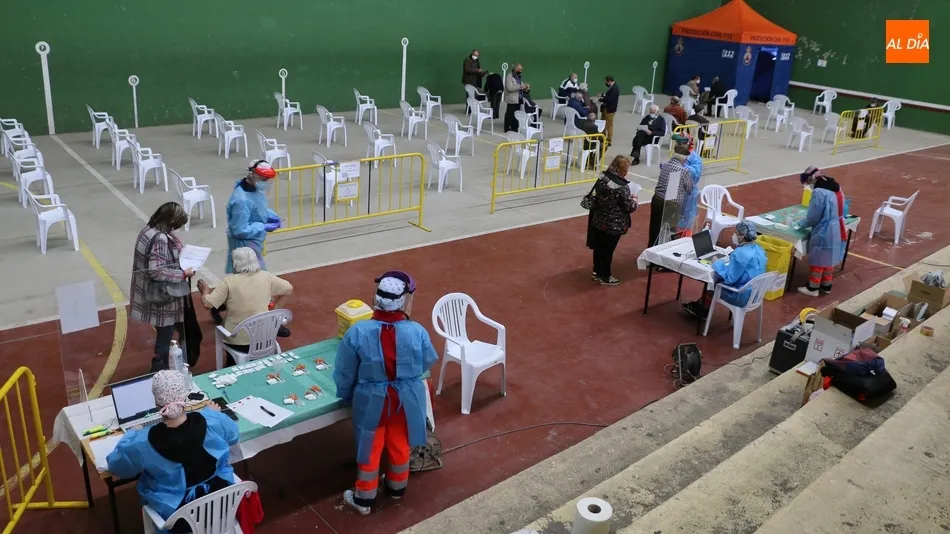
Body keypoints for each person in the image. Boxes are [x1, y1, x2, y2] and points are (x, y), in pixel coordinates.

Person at [335, 271, 438, 515]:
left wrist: (347, 394)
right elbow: (427, 361)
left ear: (376, 298)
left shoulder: (358, 332)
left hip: (371, 399)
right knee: (400, 442)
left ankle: (364, 498)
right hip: (407, 398)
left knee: (370, 445)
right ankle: (396, 487)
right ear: (403, 301)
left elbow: (345, 372)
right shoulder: (417, 331)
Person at [106, 371, 240, 533]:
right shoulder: (211, 421)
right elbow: (233, 435)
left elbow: (117, 466)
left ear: (157, 404)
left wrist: (132, 434)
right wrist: (212, 414)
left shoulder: (141, 442)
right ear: (184, 399)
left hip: (179, 517)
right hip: (222, 504)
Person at [197, 247, 293, 365]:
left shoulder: (229, 282)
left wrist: (205, 292)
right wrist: (272, 313)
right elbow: (289, 289)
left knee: (225, 331)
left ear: (236, 263)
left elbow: (208, 304)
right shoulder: (266, 276)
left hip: (238, 342)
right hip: (265, 339)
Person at [131, 202, 194, 372]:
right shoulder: (160, 238)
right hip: (163, 298)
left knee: (165, 334)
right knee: (165, 338)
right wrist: (183, 274)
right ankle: (160, 371)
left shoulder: (147, 230)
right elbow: (156, 271)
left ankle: (164, 368)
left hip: (150, 293)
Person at [682, 220, 767, 319]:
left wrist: (717, 263)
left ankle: (701, 310)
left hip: (741, 296)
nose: (734, 235)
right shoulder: (759, 249)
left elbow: (730, 278)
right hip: (756, 294)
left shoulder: (740, 253)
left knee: (713, 283)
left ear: (742, 236)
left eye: (737, 233)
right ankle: (702, 307)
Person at [586, 155, 638, 285]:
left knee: (598, 247)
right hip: (613, 224)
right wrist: (635, 199)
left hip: (598, 219)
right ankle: (606, 276)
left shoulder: (603, 176)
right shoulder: (622, 186)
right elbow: (629, 206)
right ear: (622, 169)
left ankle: (596, 271)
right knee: (608, 250)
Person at [797, 166, 847, 297]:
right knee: (828, 258)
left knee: (819, 259)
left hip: (824, 229)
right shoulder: (834, 186)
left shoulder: (819, 192)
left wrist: (799, 224)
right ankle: (826, 285)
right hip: (836, 226)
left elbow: (813, 217)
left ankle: (812, 288)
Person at [225, 160, 281, 274]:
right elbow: (240, 230)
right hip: (243, 247)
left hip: (253, 243)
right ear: (252, 175)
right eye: (263, 178)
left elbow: (257, 207)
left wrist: (269, 215)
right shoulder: (241, 200)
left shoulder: (254, 189)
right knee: (253, 280)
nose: (265, 182)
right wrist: (263, 227)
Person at [648, 144, 694, 248]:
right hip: (672, 204)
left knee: (654, 227)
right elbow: (689, 188)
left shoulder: (665, 165)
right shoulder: (684, 170)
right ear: (684, 159)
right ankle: (665, 252)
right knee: (669, 230)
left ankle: (651, 249)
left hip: (657, 199)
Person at [673, 134, 704, 236]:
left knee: (687, 218)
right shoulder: (677, 154)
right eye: (677, 143)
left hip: (688, 192)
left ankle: (686, 239)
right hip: (675, 190)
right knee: (673, 216)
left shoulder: (695, 159)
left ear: (687, 144)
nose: (678, 145)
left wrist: (683, 166)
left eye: (680, 143)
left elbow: (696, 174)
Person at [503, 64, 528, 132]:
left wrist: (525, 87)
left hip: (518, 99)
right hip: (511, 99)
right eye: (518, 69)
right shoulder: (509, 76)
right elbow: (509, 88)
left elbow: (521, 85)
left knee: (516, 114)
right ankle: (507, 128)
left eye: (521, 70)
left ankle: (515, 128)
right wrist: (519, 87)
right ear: (515, 69)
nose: (520, 71)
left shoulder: (518, 77)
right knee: (509, 114)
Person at [598, 76, 620, 146]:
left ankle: (609, 140)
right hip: (605, 108)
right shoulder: (611, 87)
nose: (605, 83)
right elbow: (607, 95)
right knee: (602, 123)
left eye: (606, 82)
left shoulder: (615, 88)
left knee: (609, 125)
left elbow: (610, 99)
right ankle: (602, 136)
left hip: (610, 109)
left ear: (609, 81)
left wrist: (601, 99)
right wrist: (602, 94)